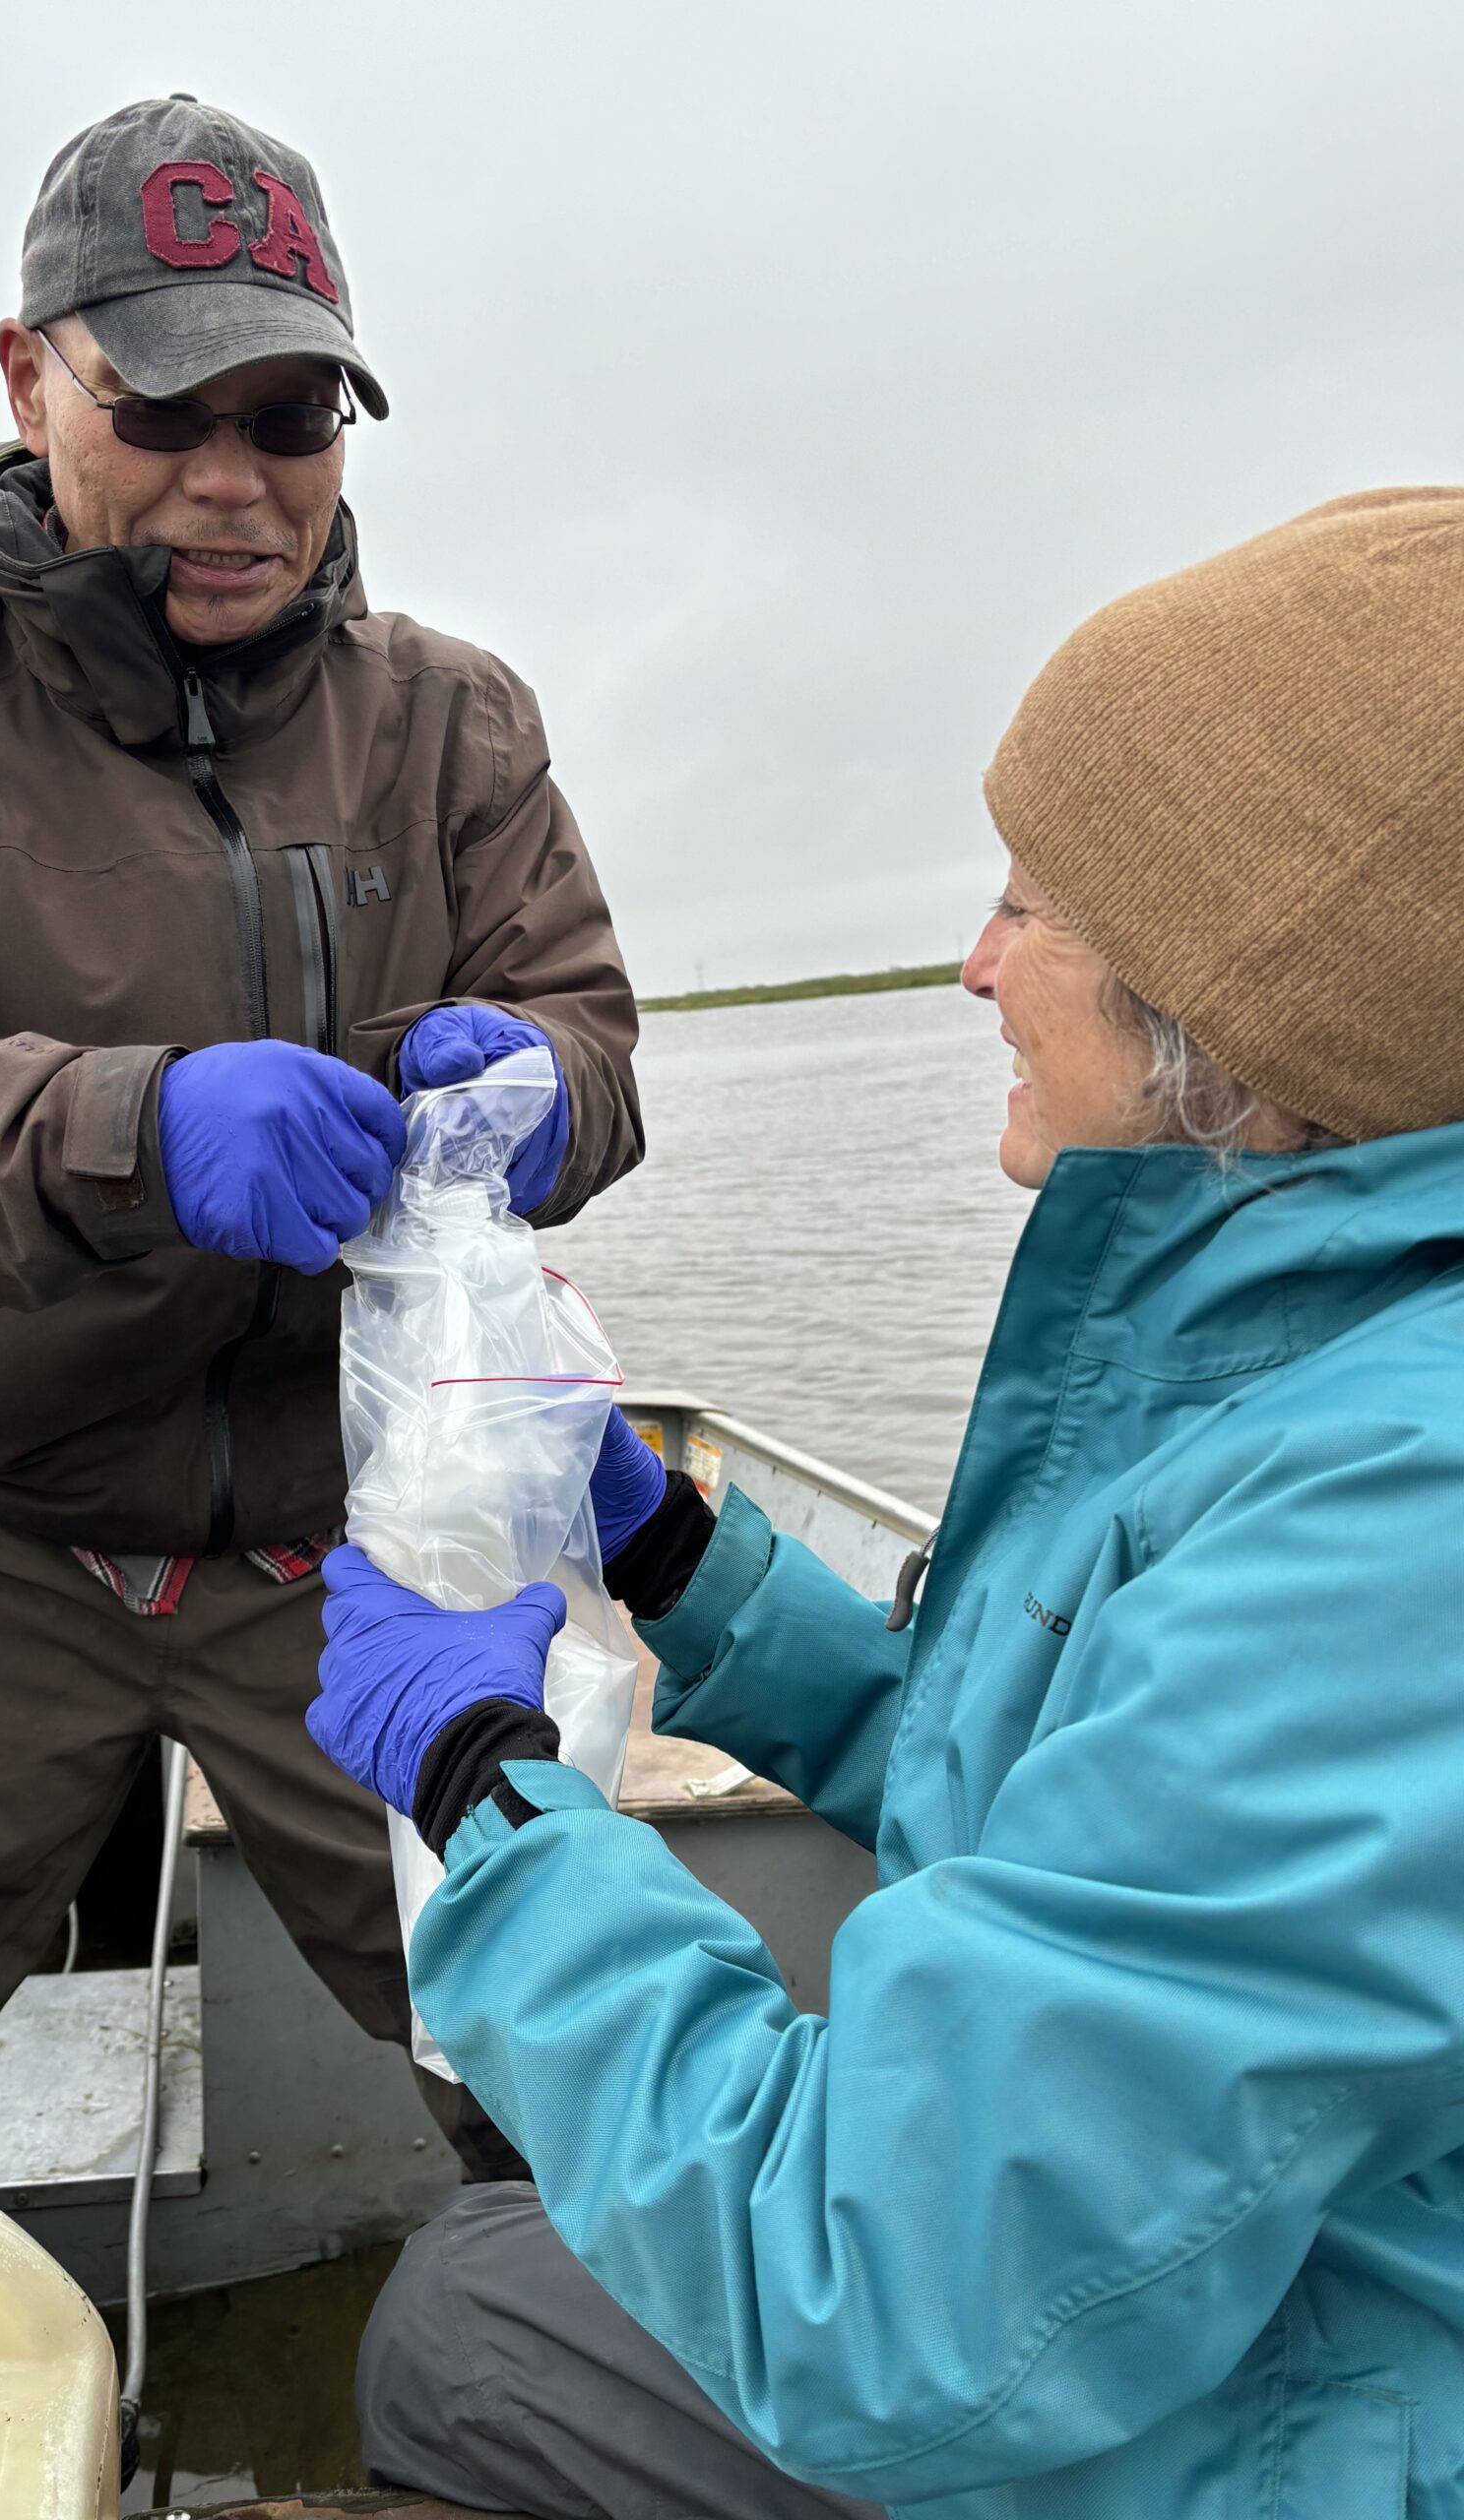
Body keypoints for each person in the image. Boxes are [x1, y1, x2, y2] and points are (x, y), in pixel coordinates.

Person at [308, 488, 1464, 2515]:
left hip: (1324, 2422)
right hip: (1283, 2297)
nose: (974, 959)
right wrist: (681, 1549)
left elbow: (882, 2295)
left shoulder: (1404, 1517)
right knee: (498, 2276)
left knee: (460, 2325)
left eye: (1041, 898)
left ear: (1249, 1011)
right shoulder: (1326, 1359)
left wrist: (489, 1788)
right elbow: (1063, 1784)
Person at [0, 94, 642, 2173]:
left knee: (556, 2041)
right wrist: (129, 1129)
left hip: (361, 1544)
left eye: (293, 417)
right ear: (28, 374)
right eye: (170, 405)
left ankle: (603, 2399)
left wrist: (539, 1094)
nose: (234, 482)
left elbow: (597, 1045)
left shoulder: (460, 721)